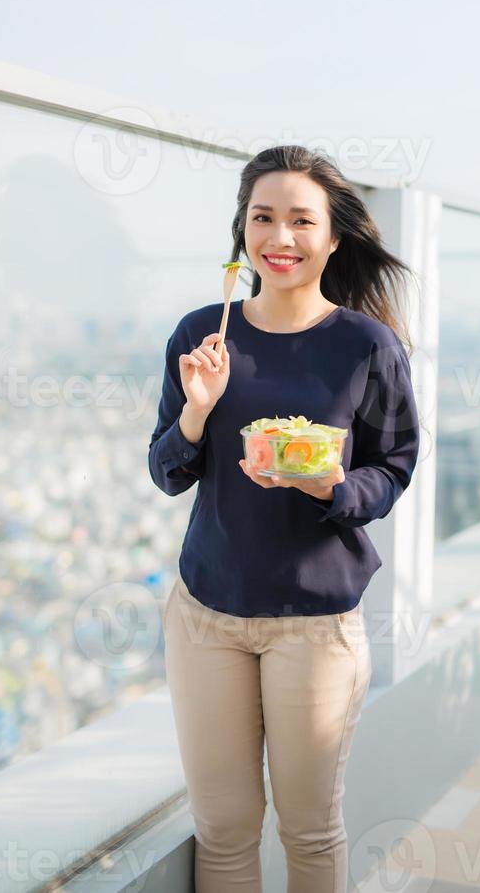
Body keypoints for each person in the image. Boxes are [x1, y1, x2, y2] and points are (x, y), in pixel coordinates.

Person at [148, 144, 421, 893]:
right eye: (263, 217)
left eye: (302, 221)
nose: (281, 237)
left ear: (334, 237)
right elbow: (167, 470)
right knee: (225, 831)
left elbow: (392, 466)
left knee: (308, 830)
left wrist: (332, 486)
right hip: (206, 616)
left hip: (315, 624)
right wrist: (199, 413)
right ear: (242, 231)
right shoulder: (204, 335)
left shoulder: (368, 346)